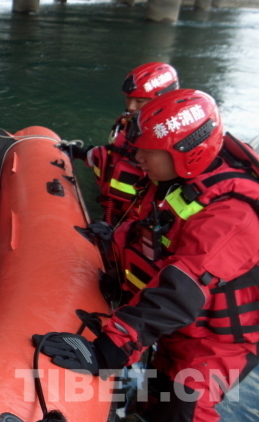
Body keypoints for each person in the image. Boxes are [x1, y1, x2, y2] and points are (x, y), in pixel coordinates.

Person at [34, 89, 259, 422]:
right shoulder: (173, 182)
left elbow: (180, 290)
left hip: (215, 341)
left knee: (184, 406)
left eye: (148, 152)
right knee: (152, 398)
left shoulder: (232, 215)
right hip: (180, 329)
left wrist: (108, 350)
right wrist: (115, 267)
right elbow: (147, 239)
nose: (137, 157)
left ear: (186, 153)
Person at [69, 62, 179, 226]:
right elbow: (115, 154)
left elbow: (160, 195)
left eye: (139, 101)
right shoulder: (127, 121)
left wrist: (130, 228)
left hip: (135, 217)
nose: (131, 106)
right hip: (112, 207)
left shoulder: (169, 140)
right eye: (128, 98)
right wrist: (83, 153)